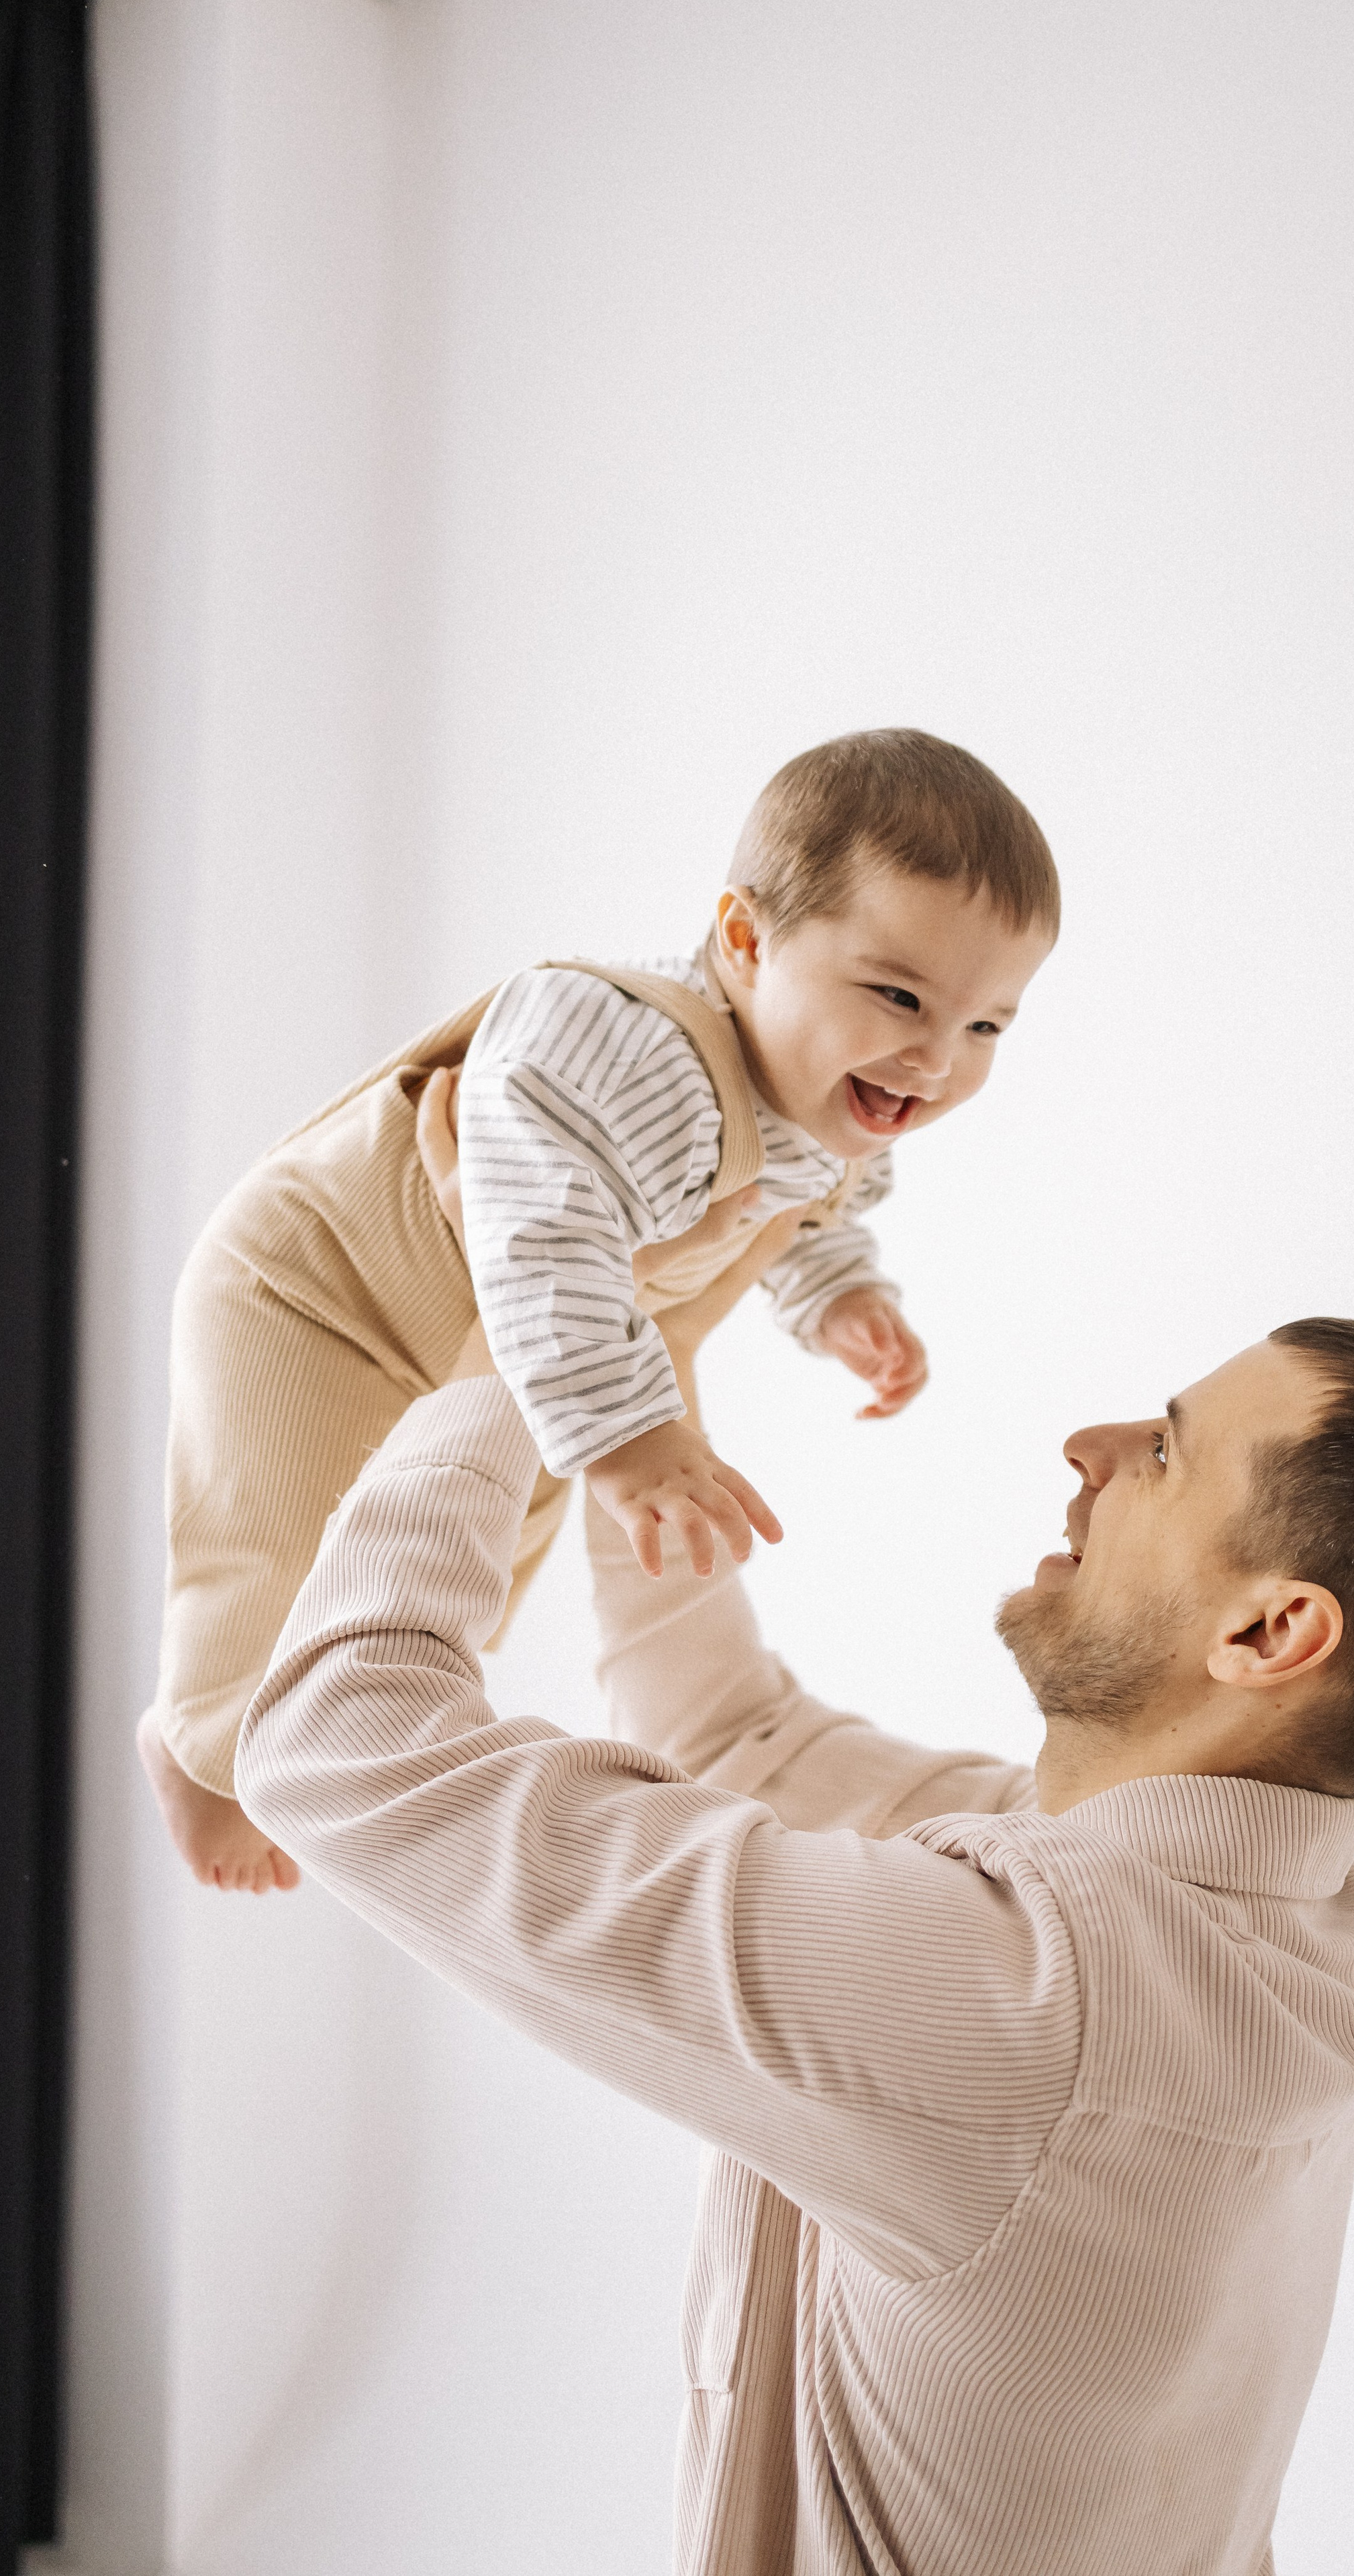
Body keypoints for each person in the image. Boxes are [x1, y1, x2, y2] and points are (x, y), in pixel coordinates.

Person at [234, 1179, 1354, 2576]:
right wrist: (638, 1387)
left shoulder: (1030, 1999)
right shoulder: (1315, 1941)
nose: (1092, 1445)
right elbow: (739, 1745)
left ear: (1268, 1632)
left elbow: (339, 1746)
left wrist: (519, 1337)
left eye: (1165, 1454)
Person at [139, 727, 1059, 1890]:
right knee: (277, 1545)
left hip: (507, 1348)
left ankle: (290, 1748)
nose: (935, 1058)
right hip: (319, 1293)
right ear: (745, 940)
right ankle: (202, 1746)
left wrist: (841, 1299)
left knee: (465, 1571)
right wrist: (631, 1438)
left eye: (985, 1026)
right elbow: (543, 1231)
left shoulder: (832, 1112)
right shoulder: (623, 1047)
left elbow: (807, 1213)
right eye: (899, 996)